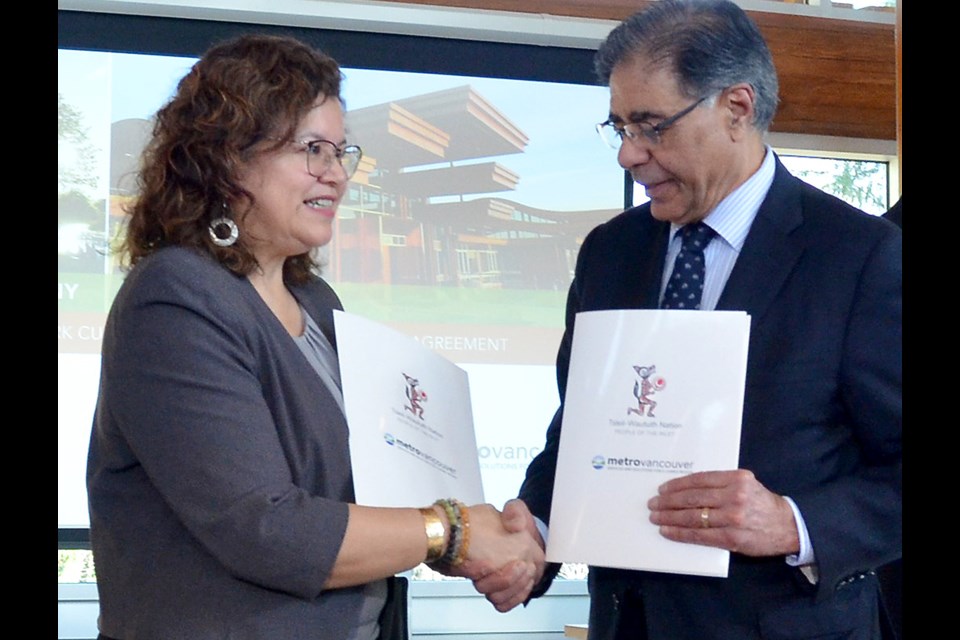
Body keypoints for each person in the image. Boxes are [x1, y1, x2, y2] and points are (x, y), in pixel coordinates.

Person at [86, 34, 543, 640]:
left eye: (340, 152)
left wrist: (482, 538)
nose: (337, 174)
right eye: (312, 149)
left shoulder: (317, 304)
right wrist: (453, 530)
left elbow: (362, 499)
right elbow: (265, 531)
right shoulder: (174, 299)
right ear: (226, 158)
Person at [473, 1, 902, 638]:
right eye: (618, 128)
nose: (628, 156)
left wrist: (795, 522)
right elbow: (582, 432)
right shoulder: (611, 252)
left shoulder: (860, 256)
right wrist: (533, 531)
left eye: (651, 127)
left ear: (736, 108)